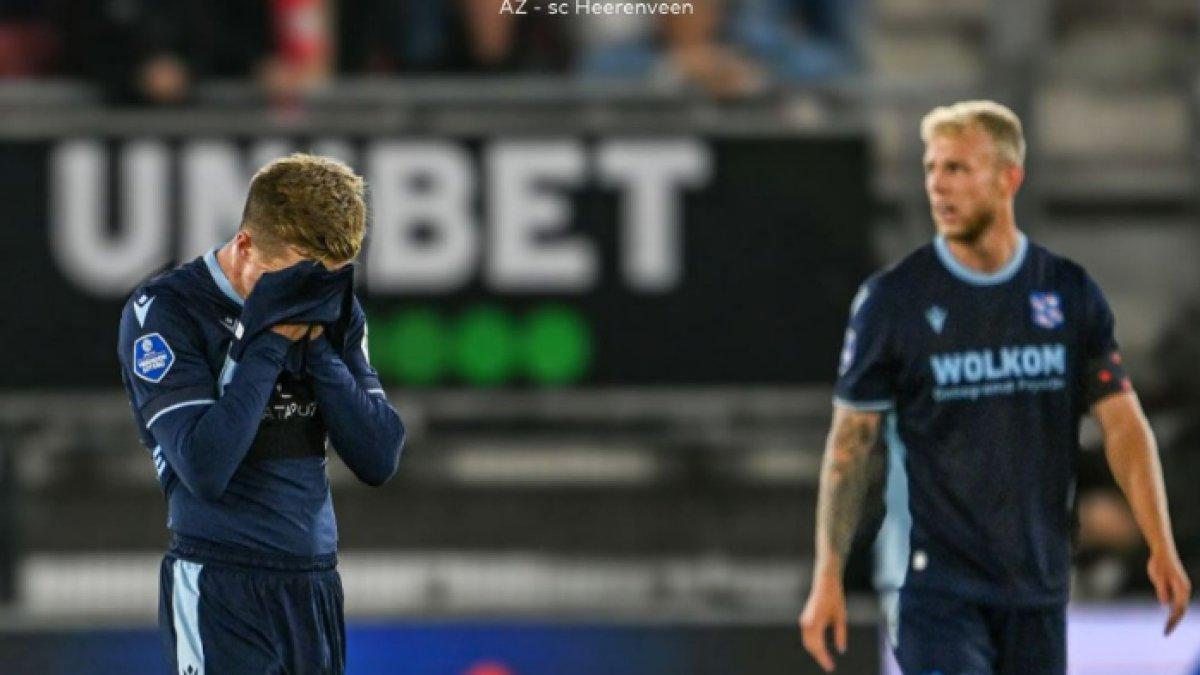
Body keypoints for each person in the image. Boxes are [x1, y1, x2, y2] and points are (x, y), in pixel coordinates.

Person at [798, 100, 1191, 674]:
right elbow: (850, 445)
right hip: (932, 587)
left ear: (1010, 179)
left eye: (957, 168)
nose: (938, 185)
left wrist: (1160, 543)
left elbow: (1124, 426)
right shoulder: (893, 303)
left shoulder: (1067, 293)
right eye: (931, 168)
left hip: (1037, 587)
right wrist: (827, 574)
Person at [117, 154, 405, 674]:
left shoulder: (333, 309)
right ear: (246, 245)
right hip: (221, 584)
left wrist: (317, 350)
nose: (305, 295)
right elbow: (205, 466)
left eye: (324, 279)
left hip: (314, 586)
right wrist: (267, 341)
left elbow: (379, 456)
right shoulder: (167, 310)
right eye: (290, 279)